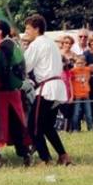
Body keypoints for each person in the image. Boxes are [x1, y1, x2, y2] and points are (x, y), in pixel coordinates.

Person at [24, 14, 72, 165]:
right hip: (56, 87)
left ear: (37, 29)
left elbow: (25, 66)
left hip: (46, 89)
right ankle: (63, 155)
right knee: (46, 126)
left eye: (28, 29)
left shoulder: (37, 44)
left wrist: (21, 53)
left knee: (33, 126)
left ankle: (46, 160)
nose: (26, 32)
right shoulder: (50, 43)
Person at [0, 20, 32, 166]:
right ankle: (23, 154)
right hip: (12, 93)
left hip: (0, 93)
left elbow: (3, 70)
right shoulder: (12, 45)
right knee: (15, 124)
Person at [70, 55, 92, 131]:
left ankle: (90, 128)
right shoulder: (72, 71)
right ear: (75, 63)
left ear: (85, 63)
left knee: (88, 113)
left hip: (86, 94)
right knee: (76, 113)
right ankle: (75, 129)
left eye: (81, 63)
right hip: (77, 95)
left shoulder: (88, 69)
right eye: (78, 63)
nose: (80, 65)